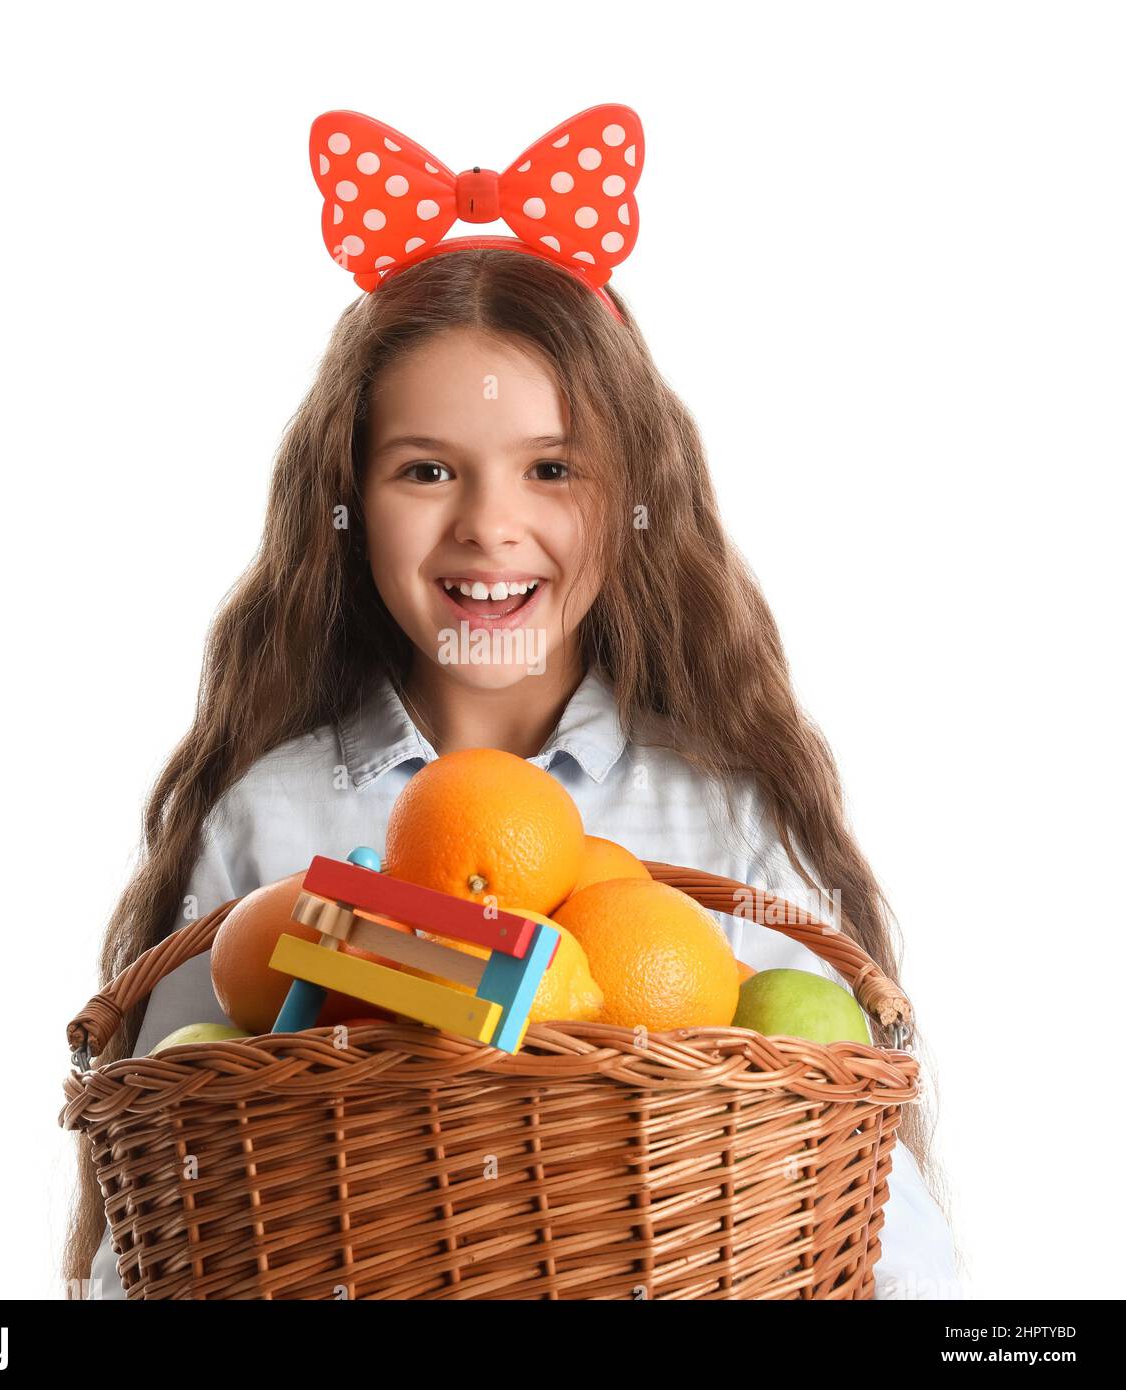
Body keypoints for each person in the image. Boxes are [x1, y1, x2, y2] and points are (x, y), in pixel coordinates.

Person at [64, 105, 964, 1301]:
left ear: (633, 494)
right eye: (426, 469)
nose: (489, 522)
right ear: (345, 501)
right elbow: (164, 1217)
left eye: (552, 468)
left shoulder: (723, 814)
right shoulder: (269, 817)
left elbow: (864, 1212)